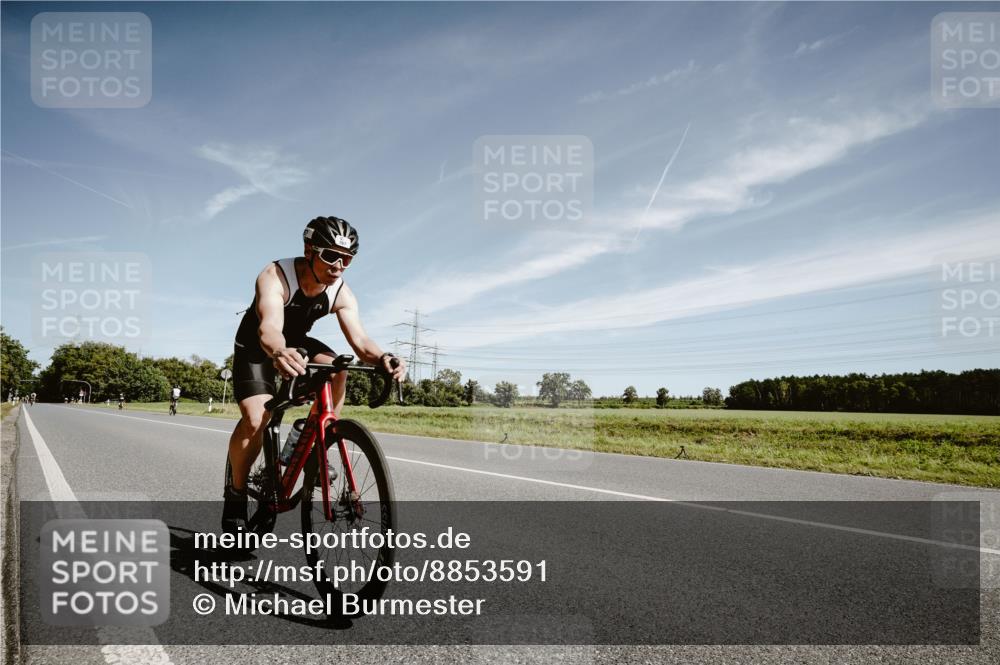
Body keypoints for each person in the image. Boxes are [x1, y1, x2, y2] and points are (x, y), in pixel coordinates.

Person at [223, 216, 406, 533]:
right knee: (257, 419)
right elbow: (269, 328)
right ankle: (236, 494)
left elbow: (361, 342)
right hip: (259, 345)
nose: (338, 265)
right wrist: (279, 352)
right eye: (330, 255)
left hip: (297, 343)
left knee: (338, 367)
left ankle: (313, 439)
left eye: (346, 258)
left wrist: (384, 357)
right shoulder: (275, 276)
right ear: (309, 250)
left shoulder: (342, 292)